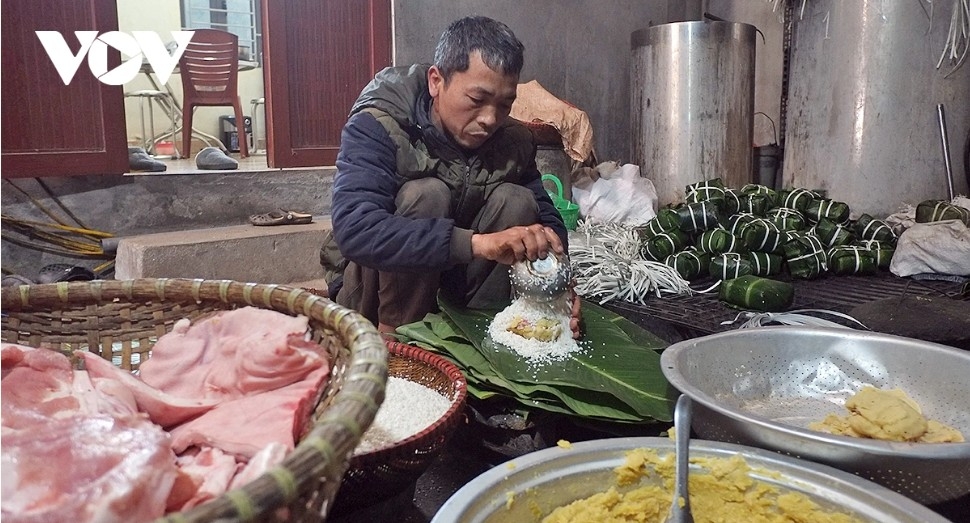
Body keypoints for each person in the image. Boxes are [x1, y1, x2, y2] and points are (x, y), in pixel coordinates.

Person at [324, 15, 581, 338]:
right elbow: (356, 230)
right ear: (436, 81)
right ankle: (399, 339)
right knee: (426, 196)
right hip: (376, 295)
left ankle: (484, 329)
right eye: (476, 100)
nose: (490, 119)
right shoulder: (380, 123)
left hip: (458, 289)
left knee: (517, 201)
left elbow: (547, 219)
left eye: (505, 104)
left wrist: (558, 281)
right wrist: (477, 244)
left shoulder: (513, 139)